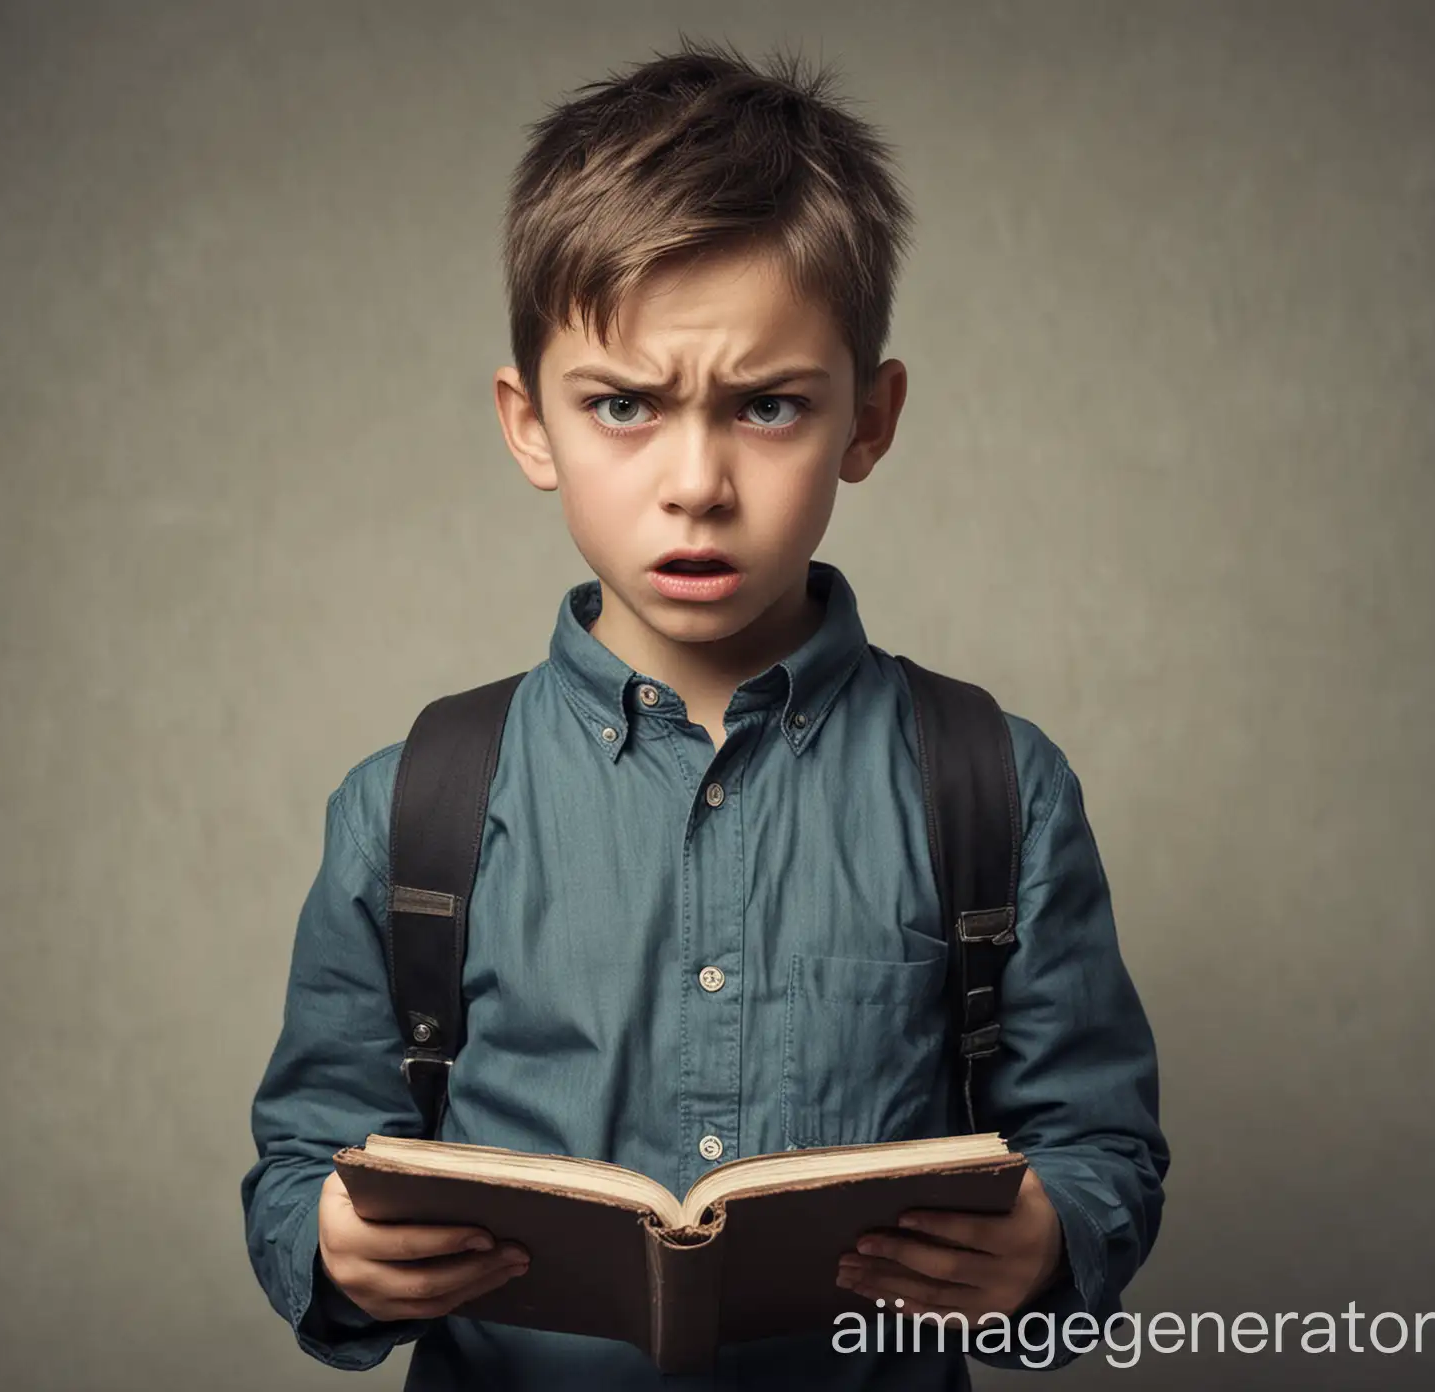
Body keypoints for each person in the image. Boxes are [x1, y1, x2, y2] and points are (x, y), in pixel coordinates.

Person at [240, 37, 1167, 1391]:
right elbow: (310, 1152)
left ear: (870, 417)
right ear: (529, 423)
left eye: (769, 406)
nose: (696, 481)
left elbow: (1099, 1145)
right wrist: (328, 1247)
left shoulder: (993, 786)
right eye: (623, 404)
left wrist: (1049, 1240)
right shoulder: (413, 804)